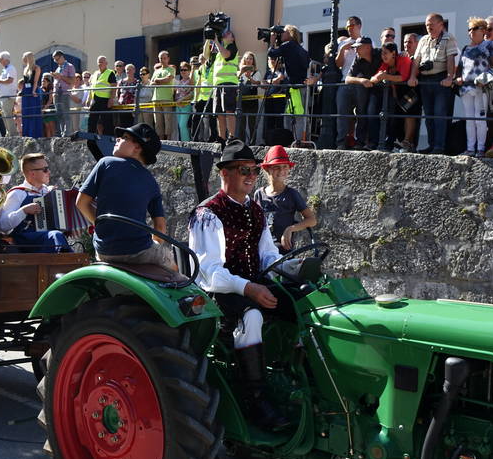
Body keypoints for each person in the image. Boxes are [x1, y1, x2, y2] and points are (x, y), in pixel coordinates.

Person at [188, 139, 290, 431]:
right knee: (252, 315)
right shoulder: (208, 213)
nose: (251, 176)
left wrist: (290, 268)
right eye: (243, 170)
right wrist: (249, 289)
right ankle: (255, 400)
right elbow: (209, 273)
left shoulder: (256, 210)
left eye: (254, 170)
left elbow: (268, 254)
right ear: (225, 173)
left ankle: (295, 381)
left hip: (253, 283)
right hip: (219, 292)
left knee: (302, 302)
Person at [77, 122, 173, 270]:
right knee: (174, 268)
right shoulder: (151, 182)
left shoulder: (106, 163)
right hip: (139, 251)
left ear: (137, 148)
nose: (117, 139)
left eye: (124, 137)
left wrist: (101, 224)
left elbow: (81, 203)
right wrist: (154, 245)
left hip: (104, 251)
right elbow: (160, 227)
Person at [0, 153, 72, 253]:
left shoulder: (48, 191)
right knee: (55, 235)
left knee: (57, 235)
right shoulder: (17, 193)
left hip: (46, 239)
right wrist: (23, 211)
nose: (49, 172)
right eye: (45, 169)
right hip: (24, 241)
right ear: (32, 173)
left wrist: (69, 227)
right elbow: (3, 225)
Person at [408, 13, 459, 154]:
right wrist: (412, 77)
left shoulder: (448, 38)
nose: (428, 27)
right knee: (429, 115)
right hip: (424, 81)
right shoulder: (423, 40)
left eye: (431, 25)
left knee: (439, 114)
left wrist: (449, 78)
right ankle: (431, 145)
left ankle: (439, 146)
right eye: (426, 25)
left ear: (441, 25)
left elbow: (450, 59)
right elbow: (416, 60)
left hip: (440, 80)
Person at [253, 145, 316, 254]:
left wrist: (290, 229)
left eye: (285, 166)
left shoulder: (292, 194)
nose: (281, 170)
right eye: (276, 167)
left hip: (282, 252)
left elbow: (312, 220)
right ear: (267, 169)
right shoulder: (259, 194)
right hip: (261, 249)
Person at [454, 17, 493, 157]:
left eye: (475, 29)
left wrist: (485, 79)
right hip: (466, 88)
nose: (471, 32)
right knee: (469, 120)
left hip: (482, 88)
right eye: (469, 29)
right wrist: (458, 78)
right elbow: (460, 69)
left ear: (483, 30)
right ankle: (470, 148)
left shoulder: (489, 45)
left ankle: (480, 149)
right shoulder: (465, 48)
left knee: (480, 120)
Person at [268, 25, 311, 141]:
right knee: (300, 115)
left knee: (295, 116)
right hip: (301, 86)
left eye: (284, 32)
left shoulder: (288, 45)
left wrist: (272, 42)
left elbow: (272, 53)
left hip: (295, 87)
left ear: (290, 34)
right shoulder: (301, 49)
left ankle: (296, 141)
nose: (281, 34)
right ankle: (303, 139)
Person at [370, 42, 413, 150]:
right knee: (393, 118)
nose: (383, 56)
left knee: (409, 115)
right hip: (396, 94)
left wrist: (385, 76)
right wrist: (379, 76)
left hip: (410, 92)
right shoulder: (386, 64)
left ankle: (408, 143)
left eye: (385, 53)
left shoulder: (404, 59)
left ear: (393, 53)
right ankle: (391, 143)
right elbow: (373, 79)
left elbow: (403, 77)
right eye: (382, 53)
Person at [343, 37, 382, 150]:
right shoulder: (358, 58)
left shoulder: (380, 53)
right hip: (366, 90)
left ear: (368, 47)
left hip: (383, 89)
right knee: (362, 112)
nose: (355, 50)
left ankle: (374, 143)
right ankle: (361, 142)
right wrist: (361, 80)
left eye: (358, 47)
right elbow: (347, 79)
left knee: (372, 112)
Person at [335, 16, 363, 149]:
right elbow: (338, 64)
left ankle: (360, 142)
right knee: (342, 114)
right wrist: (342, 50)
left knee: (362, 114)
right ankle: (341, 143)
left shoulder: (366, 41)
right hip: (344, 82)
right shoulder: (343, 43)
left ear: (359, 26)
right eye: (347, 26)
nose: (349, 29)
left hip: (360, 82)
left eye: (352, 25)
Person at [206, 31, 239, 140]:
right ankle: (222, 138)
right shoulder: (219, 50)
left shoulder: (232, 47)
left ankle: (232, 137)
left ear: (233, 38)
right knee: (219, 113)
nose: (225, 34)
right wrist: (209, 40)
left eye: (228, 33)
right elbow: (206, 57)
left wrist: (216, 42)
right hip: (218, 85)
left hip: (229, 84)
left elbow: (226, 55)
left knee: (229, 111)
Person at [0, 51, 19, 137]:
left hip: (8, 96)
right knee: (4, 115)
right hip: (4, 96)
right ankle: (9, 133)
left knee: (7, 115)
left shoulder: (11, 68)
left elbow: (10, 80)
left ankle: (13, 134)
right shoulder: (6, 69)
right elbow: (5, 82)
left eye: (0, 59)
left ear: (5, 59)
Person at [89, 56, 118, 135]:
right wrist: (89, 99)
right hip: (95, 99)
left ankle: (108, 138)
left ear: (106, 63)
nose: (100, 64)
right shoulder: (95, 73)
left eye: (102, 62)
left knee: (107, 121)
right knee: (92, 120)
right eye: (99, 62)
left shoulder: (110, 73)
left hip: (105, 100)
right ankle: (91, 138)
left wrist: (111, 99)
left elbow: (114, 86)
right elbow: (92, 87)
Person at [51, 50, 77, 136]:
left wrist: (61, 76)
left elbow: (72, 81)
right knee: (59, 115)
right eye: (55, 60)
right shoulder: (58, 68)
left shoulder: (70, 66)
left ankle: (67, 133)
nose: (56, 61)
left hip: (65, 93)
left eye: (57, 59)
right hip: (57, 94)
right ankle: (62, 133)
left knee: (66, 114)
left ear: (62, 57)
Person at [150, 51, 175, 140]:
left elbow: (168, 80)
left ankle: (169, 141)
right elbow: (151, 83)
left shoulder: (171, 69)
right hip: (156, 98)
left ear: (168, 59)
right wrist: (161, 81)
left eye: (164, 58)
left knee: (168, 120)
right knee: (158, 121)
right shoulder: (156, 71)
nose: (162, 60)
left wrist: (157, 80)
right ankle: (160, 140)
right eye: (161, 58)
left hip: (167, 98)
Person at [237, 52, 261, 144]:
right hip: (241, 101)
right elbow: (235, 81)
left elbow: (258, 83)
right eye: (247, 58)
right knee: (241, 124)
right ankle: (241, 143)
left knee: (252, 124)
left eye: (251, 58)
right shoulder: (239, 72)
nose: (249, 60)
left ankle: (252, 144)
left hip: (252, 101)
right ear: (244, 60)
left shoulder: (257, 72)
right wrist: (241, 73)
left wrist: (250, 78)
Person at [19, 51, 42, 139]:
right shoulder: (25, 69)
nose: (23, 59)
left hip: (32, 90)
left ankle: (34, 134)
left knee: (33, 112)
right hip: (26, 91)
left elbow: (35, 81)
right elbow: (25, 82)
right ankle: (26, 133)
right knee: (26, 113)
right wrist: (21, 91)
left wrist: (33, 91)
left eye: (24, 57)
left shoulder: (36, 68)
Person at [262, 56, 287, 135]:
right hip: (268, 99)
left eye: (273, 59)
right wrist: (274, 80)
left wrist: (269, 81)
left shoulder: (282, 71)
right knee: (269, 121)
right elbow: (263, 84)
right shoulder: (268, 72)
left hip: (279, 100)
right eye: (269, 59)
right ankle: (269, 139)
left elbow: (281, 78)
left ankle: (279, 139)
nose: (271, 61)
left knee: (279, 121)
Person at [174, 62, 194, 141]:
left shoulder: (191, 81)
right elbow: (177, 94)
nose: (183, 71)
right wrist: (177, 100)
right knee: (180, 126)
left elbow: (192, 93)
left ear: (189, 71)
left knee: (182, 125)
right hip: (178, 105)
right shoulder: (180, 81)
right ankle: (183, 142)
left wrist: (182, 100)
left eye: (185, 70)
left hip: (186, 105)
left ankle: (186, 143)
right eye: (181, 70)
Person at [116, 63, 138, 128]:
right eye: (127, 70)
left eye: (130, 70)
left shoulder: (137, 82)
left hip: (132, 106)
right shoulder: (121, 82)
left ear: (134, 70)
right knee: (122, 124)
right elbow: (117, 93)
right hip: (122, 106)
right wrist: (118, 101)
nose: (128, 71)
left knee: (132, 124)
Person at [41, 73, 58, 138]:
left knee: (52, 127)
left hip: (50, 110)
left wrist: (44, 108)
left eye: (44, 81)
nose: (42, 82)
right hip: (44, 111)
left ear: (48, 82)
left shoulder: (50, 89)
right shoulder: (42, 89)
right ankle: (48, 141)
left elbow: (50, 100)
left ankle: (54, 140)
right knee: (47, 127)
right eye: (42, 81)